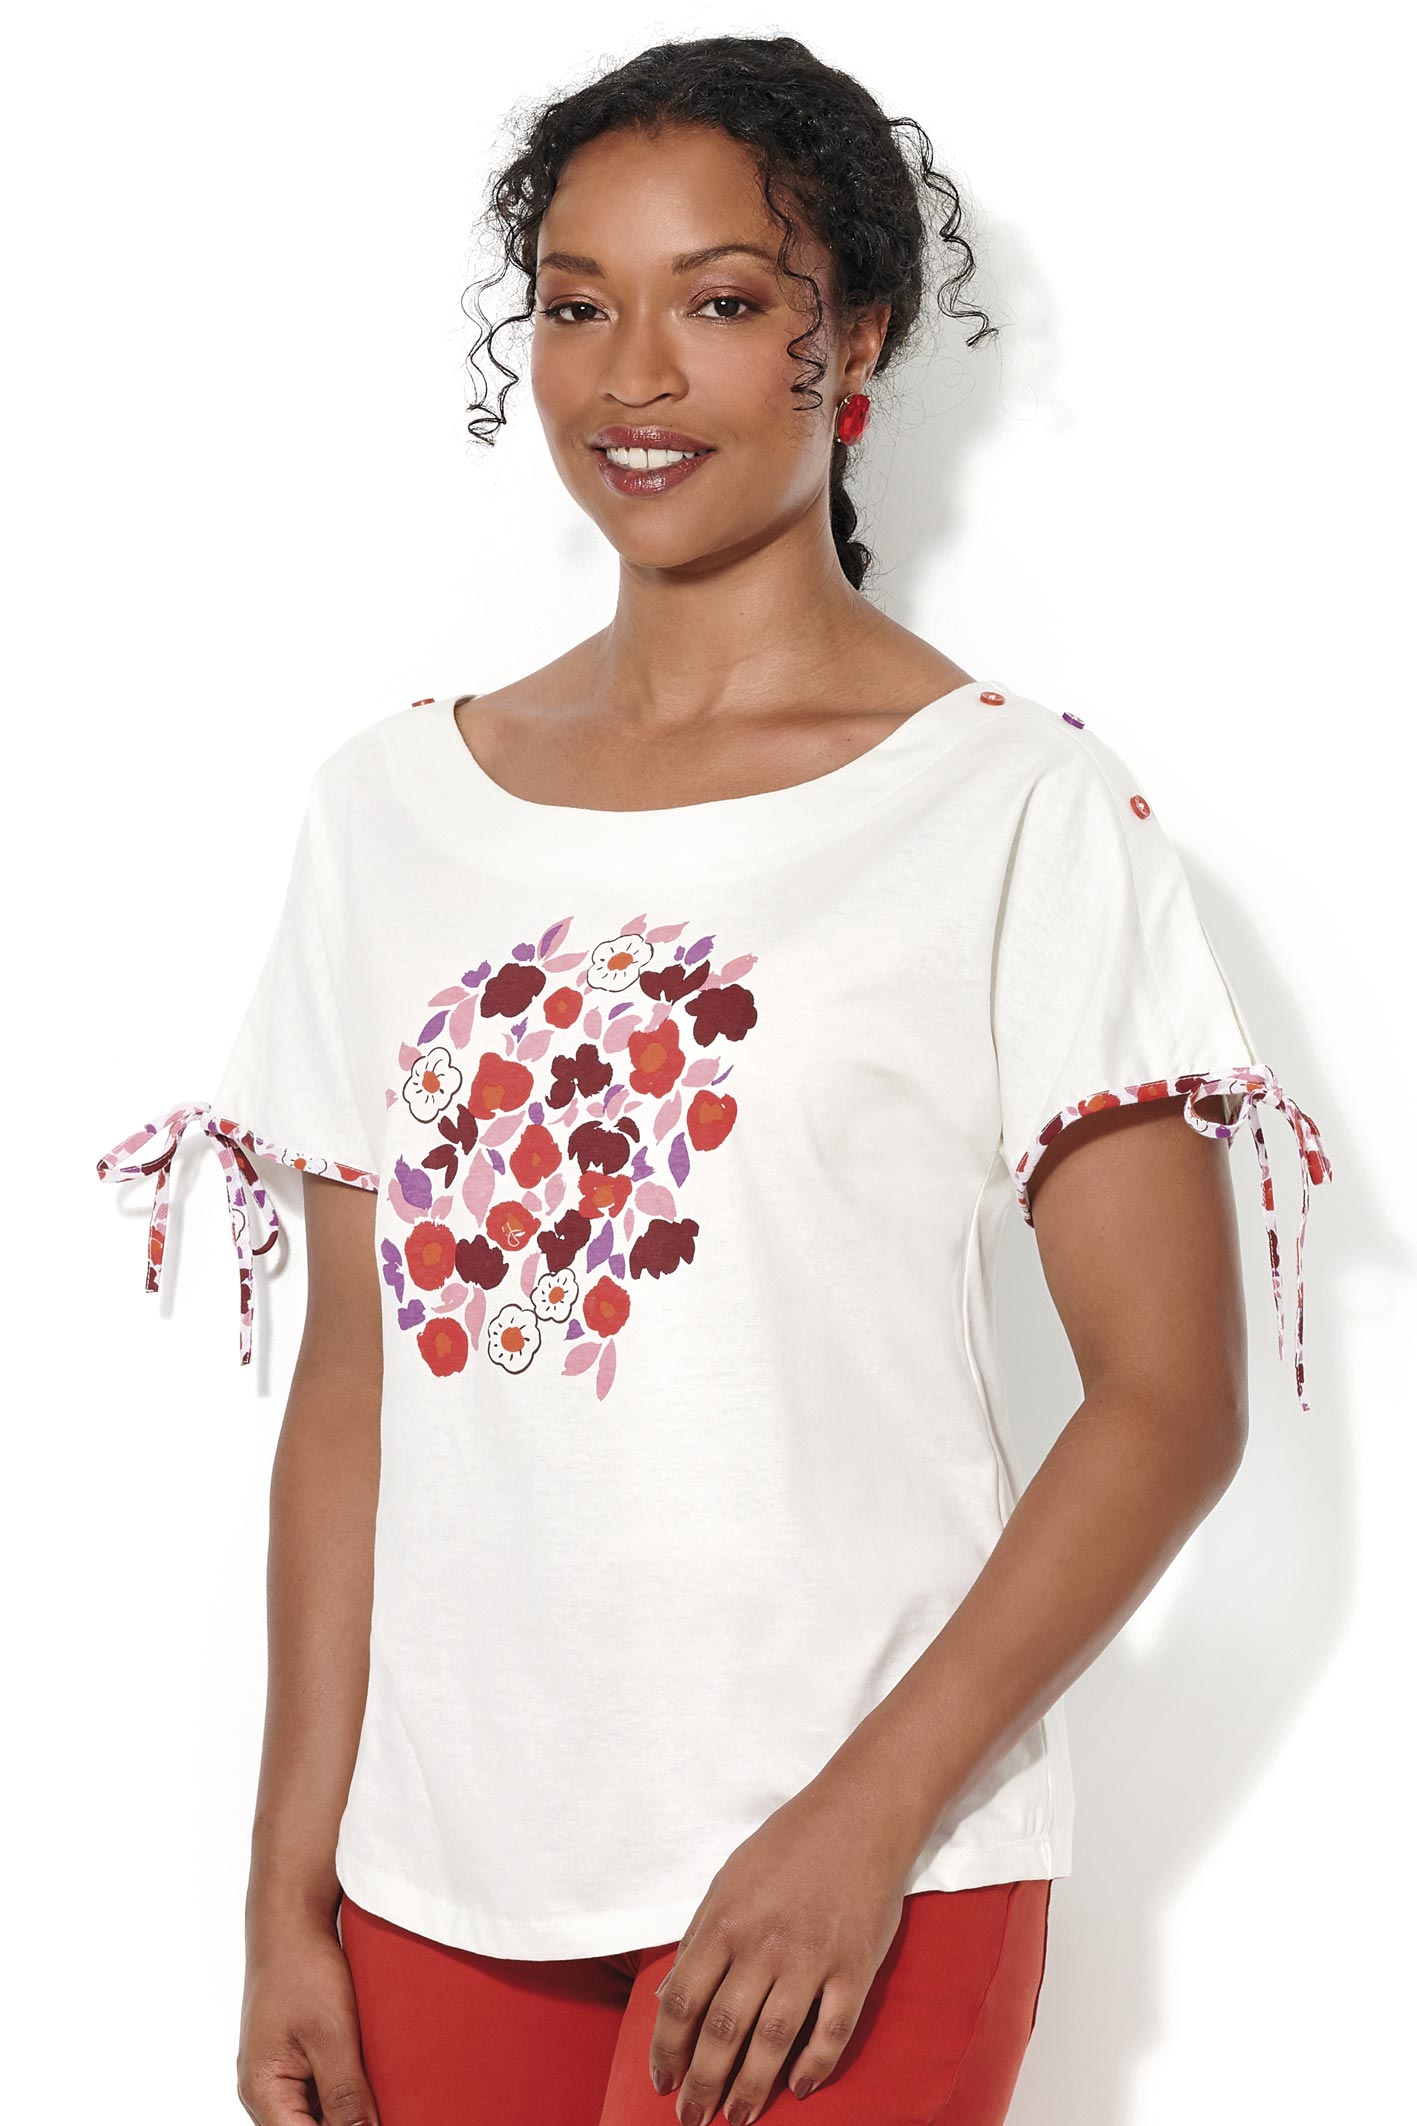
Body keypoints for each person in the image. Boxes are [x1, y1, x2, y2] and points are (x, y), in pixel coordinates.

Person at [95, 33, 1334, 2126]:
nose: (633, 378)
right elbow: (354, 1386)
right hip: (439, 1875)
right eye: (577, 305)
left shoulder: (1008, 810)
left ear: (856, 339)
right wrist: (285, 1890)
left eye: (724, 300)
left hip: (859, 1871)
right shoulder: (387, 812)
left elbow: (1166, 1400)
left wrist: (867, 1818)